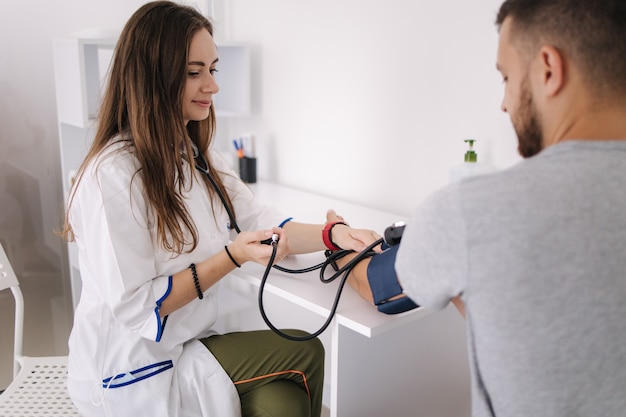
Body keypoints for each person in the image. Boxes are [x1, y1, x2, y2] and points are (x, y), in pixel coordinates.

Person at [60, 2, 380, 416]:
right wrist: (232, 257)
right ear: (153, 78)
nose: (211, 85)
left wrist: (331, 234)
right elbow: (138, 306)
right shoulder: (113, 176)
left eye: (213, 69)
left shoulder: (192, 154)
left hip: (186, 348)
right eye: (194, 72)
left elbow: (257, 219)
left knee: (284, 398)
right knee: (306, 352)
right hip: (129, 372)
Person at [338, 0, 626, 415]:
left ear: (548, 69)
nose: (504, 104)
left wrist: (342, 245)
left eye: (507, 77)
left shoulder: (472, 211)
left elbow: (378, 288)